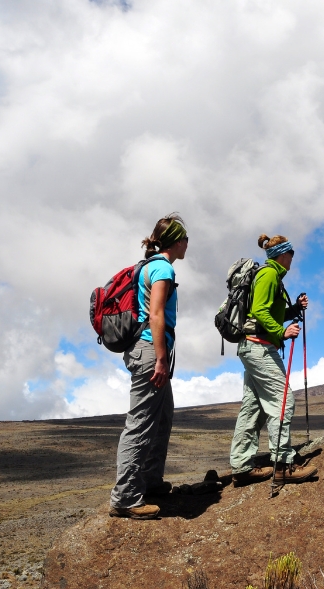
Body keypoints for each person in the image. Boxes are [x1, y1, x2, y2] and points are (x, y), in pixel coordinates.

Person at [109, 214, 189, 519]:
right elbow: (155, 315)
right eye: (186, 238)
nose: (187, 244)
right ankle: (126, 498)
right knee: (141, 423)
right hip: (149, 351)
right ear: (176, 240)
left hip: (146, 350)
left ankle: (150, 481)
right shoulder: (162, 268)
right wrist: (159, 358)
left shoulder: (149, 266)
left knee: (163, 415)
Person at [229, 234, 318, 487]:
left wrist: (293, 310)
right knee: (283, 401)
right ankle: (283, 465)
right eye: (291, 253)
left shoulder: (272, 277)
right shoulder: (269, 275)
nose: (293, 258)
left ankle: (241, 466)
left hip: (253, 348)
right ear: (282, 254)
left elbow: (268, 311)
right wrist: (281, 332)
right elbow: (259, 311)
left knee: (253, 408)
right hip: (260, 349)